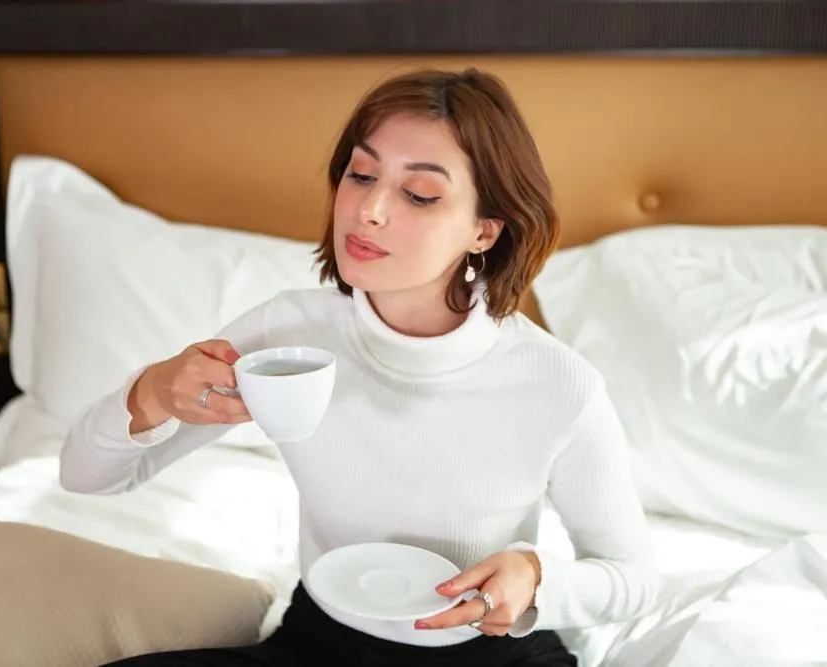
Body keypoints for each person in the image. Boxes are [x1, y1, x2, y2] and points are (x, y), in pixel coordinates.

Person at [60, 67, 659, 667]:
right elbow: (87, 478)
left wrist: (536, 576)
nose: (368, 209)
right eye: (361, 174)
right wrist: (154, 392)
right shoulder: (285, 337)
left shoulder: (558, 385)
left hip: (490, 656)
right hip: (319, 646)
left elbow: (632, 577)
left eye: (419, 194)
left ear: (484, 230)